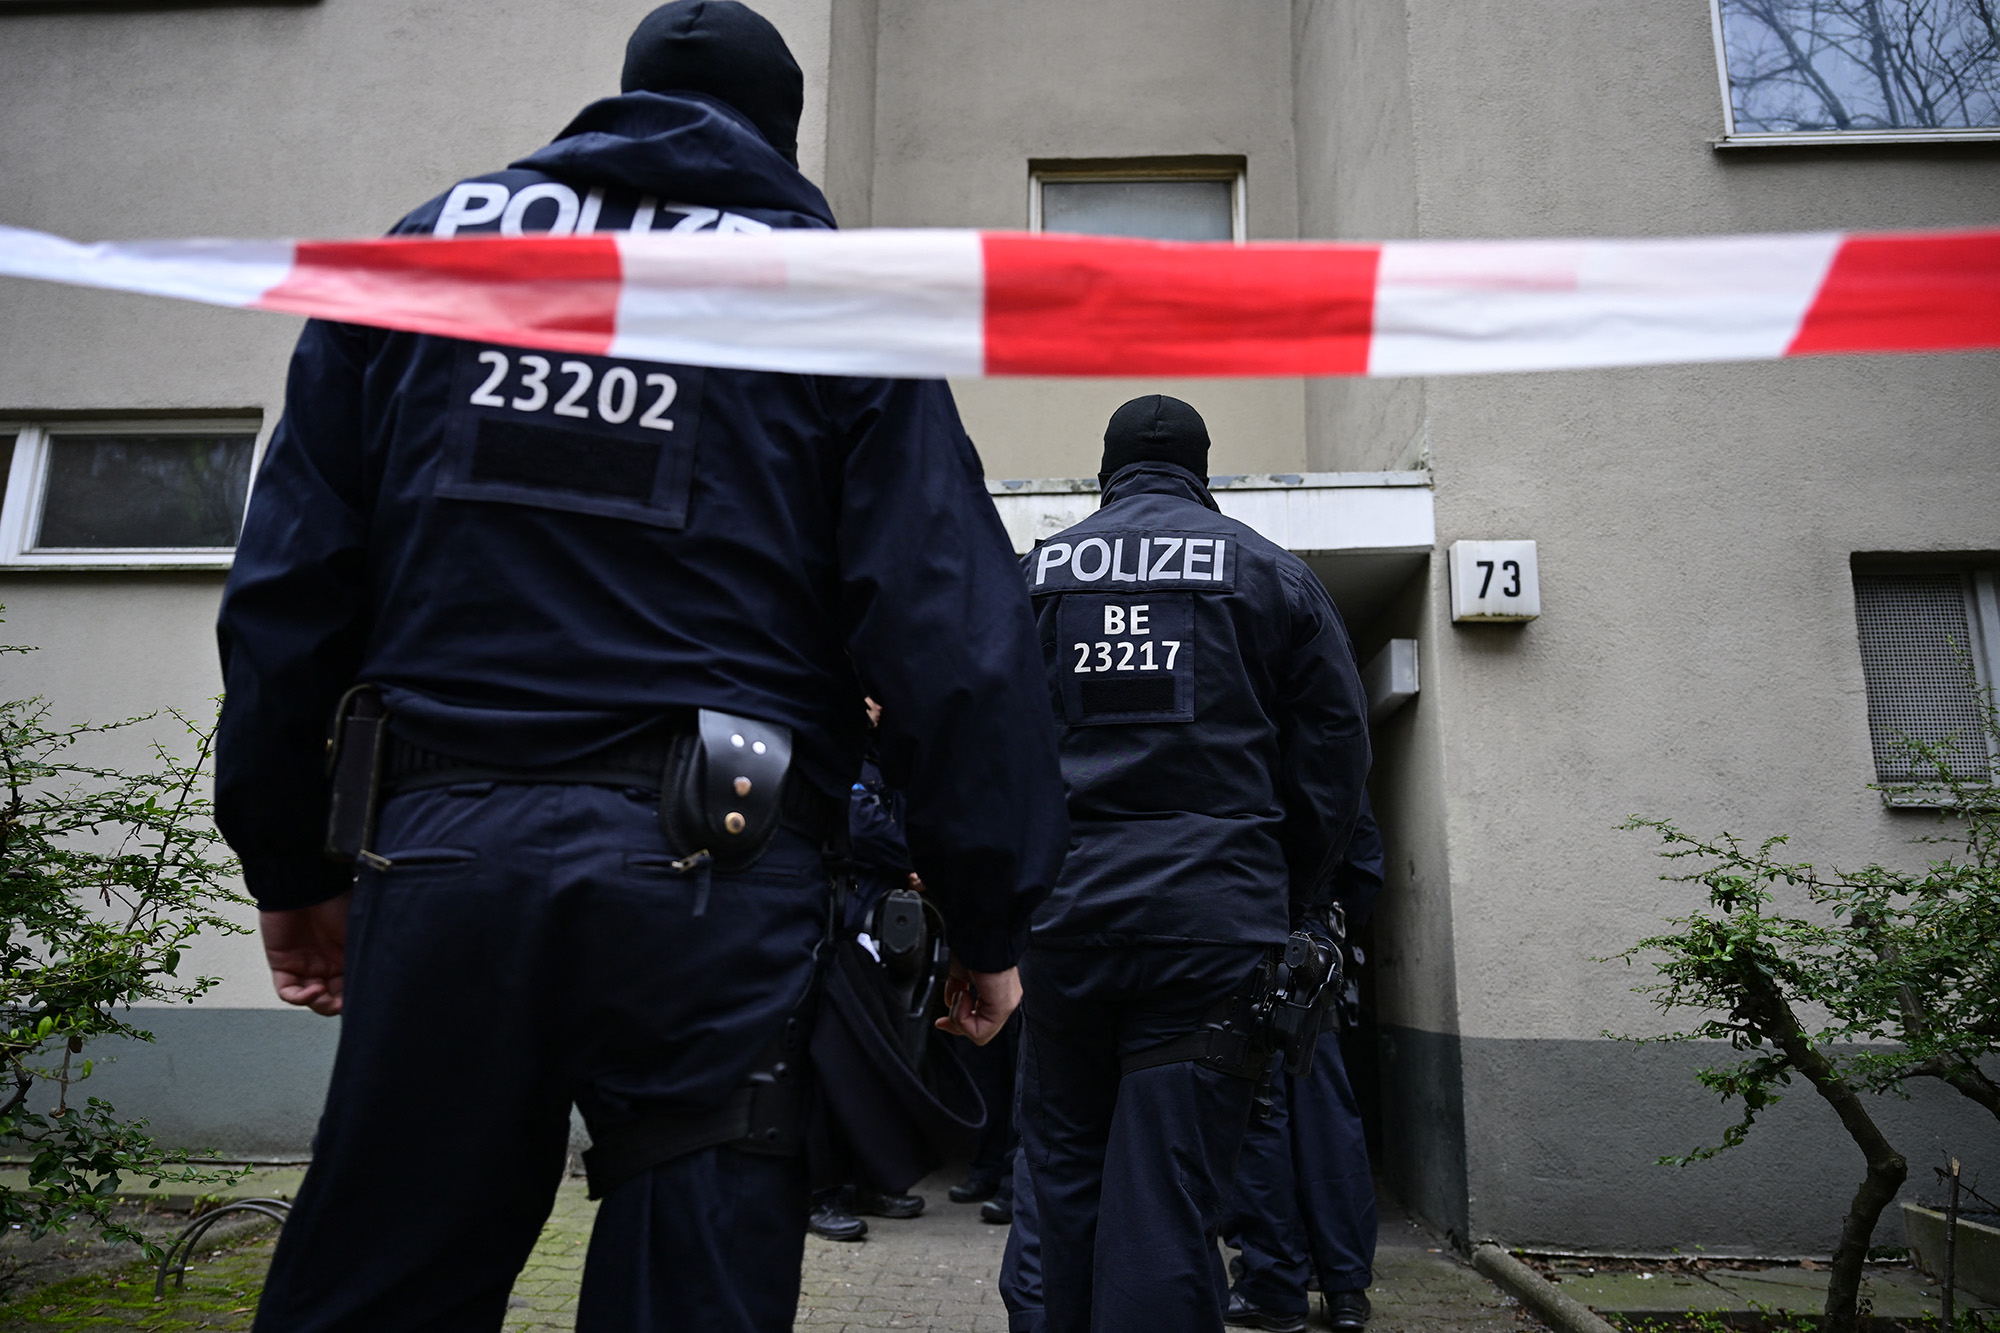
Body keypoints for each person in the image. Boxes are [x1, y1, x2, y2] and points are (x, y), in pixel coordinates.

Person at [214, 4, 1066, 1329]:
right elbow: (952, 629)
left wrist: (290, 865)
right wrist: (987, 913)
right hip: (714, 886)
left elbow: (285, 594)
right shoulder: (819, 290)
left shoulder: (428, 254)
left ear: (614, 111)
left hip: (439, 860)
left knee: (378, 1283)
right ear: (776, 140)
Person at [1015, 396, 1370, 1333]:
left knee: (1062, 1185)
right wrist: (1290, 898)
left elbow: (977, 741)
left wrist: (996, 902)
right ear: (1204, 475)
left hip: (1064, 925)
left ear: (1106, 471)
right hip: (1213, 927)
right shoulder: (1272, 577)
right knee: (1166, 1199)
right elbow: (1336, 757)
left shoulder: (1036, 577)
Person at [1220, 796, 1386, 1333]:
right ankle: (1345, 1290)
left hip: (1249, 935)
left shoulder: (1246, 735)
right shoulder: (1330, 740)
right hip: (1311, 945)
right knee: (1326, 1119)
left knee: (1260, 1115)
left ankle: (1274, 1285)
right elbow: (1363, 865)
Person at [808, 711, 930, 1242]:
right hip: (838, 926)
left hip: (880, 927)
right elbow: (858, 820)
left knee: (876, 1061)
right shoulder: (839, 746)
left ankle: (865, 1182)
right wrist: (916, 861)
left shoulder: (891, 757)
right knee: (830, 1064)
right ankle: (821, 1194)